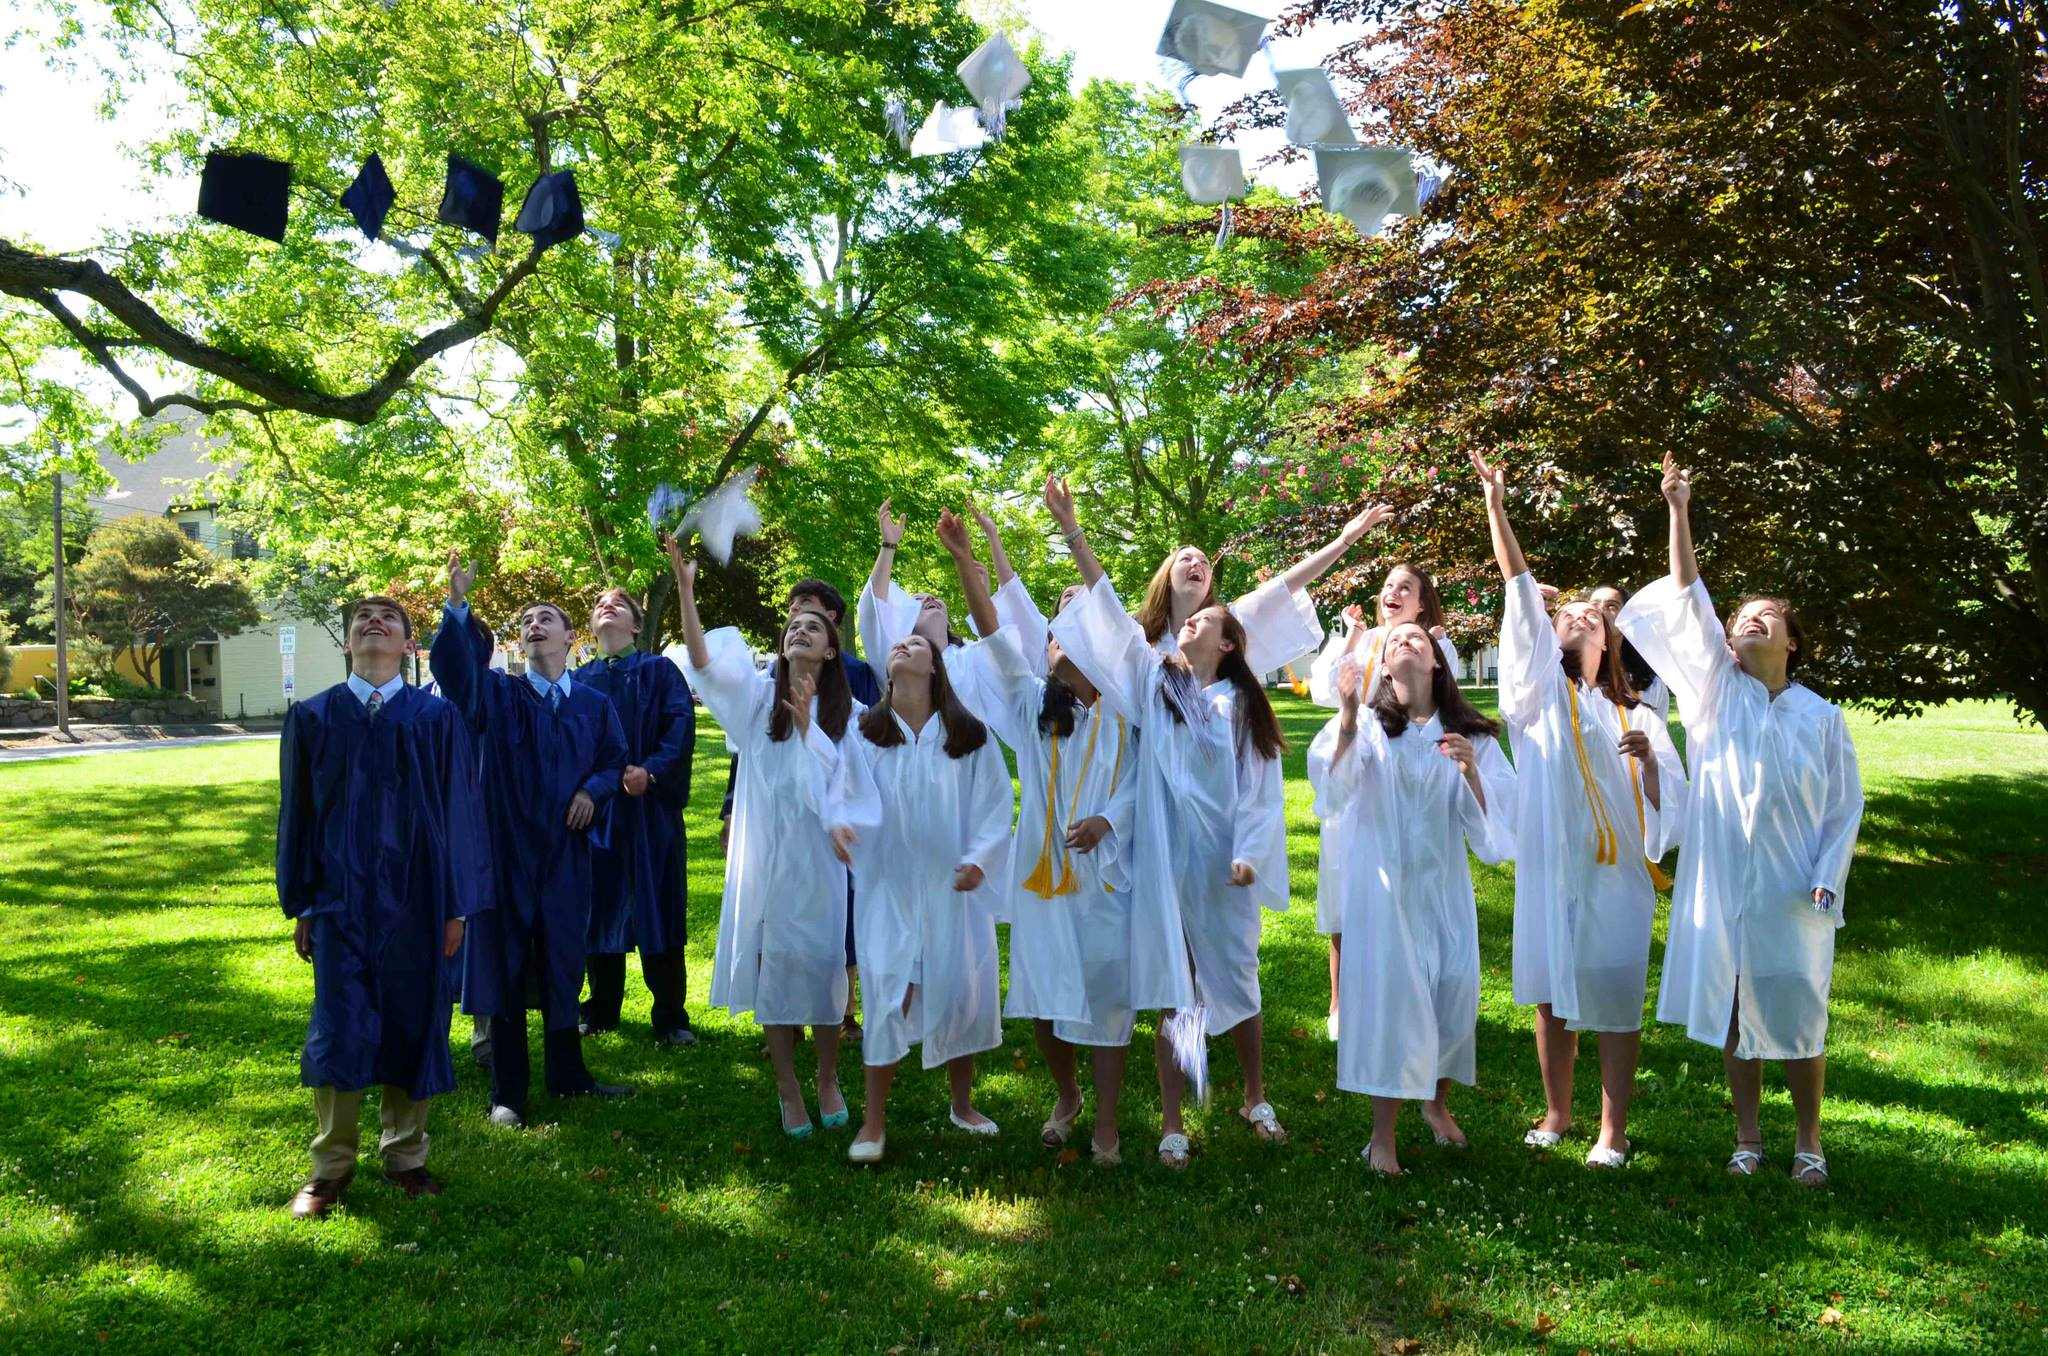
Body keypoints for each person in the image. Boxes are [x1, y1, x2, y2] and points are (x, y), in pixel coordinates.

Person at [1617, 453, 1863, 1186]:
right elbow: (1689, 594)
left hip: (1794, 885)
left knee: (1798, 1006)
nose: (1749, 622)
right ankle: (1749, 1136)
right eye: (1741, 618)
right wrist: (1678, 509)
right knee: (1735, 1006)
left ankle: (1810, 1141)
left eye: (1767, 618)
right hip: (1726, 878)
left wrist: (1827, 878)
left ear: (1792, 643)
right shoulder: (1713, 694)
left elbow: (1845, 807)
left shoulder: (1823, 718)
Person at [1042, 476, 1292, 1170]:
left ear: (1229, 643)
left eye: (1202, 622)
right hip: (1163, 857)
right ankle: (1176, 1118)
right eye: (1186, 621)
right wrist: (1072, 530)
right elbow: (1115, 621)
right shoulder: (1159, 686)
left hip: (1221, 861)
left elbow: (1260, 793)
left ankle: (1252, 1093)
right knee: (1174, 984)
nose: (1189, 624)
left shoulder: (1242, 709)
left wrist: (1250, 853)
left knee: (1236, 979)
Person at [1471, 449, 1687, 1169]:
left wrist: (1650, 764)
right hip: (1552, 864)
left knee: (1617, 991)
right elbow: (1518, 587)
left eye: (1594, 616)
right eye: (1569, 614)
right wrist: (1498, 510)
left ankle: (1613, 1130)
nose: (1580, 618)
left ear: (1611, 639)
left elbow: (1673, 805)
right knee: (1552, 991)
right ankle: (1559, 1112)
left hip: (1619, 871)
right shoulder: (1535, 699)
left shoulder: (1638, 715)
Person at [938, 508, 1140, 1167]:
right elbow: (995, 634)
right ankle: (1066, 1094)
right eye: (1051, 637)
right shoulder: (1032, 704)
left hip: (1105, 868)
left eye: (1065, 637)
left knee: (1106, 994)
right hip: (1041, 870)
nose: (1052, 644)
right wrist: (968, 559)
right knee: (1043, 994)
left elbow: (1143, 783)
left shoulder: (1124, 715)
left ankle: (1107, 1122)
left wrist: (1110, 818)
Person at [278, 595, 487, 1219]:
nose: (375, 624)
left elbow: (458, 812)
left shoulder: (435, 717)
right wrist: (304, 903)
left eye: (389, 620)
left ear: (407, 646)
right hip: (340, 899)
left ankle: (406, 1155)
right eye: (362, 621)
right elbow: (299, 818)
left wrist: (457, 906)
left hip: (419, 900)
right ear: (347, 643)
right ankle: (330, 1166)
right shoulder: (313, 718)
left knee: (413, 1018)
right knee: (340, 1026)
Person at [675, 543, 878, 1138]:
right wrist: (687, 590)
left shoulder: (853, 712)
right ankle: (789, 1089)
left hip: (821, 857)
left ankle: (827, 1077)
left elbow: (856, 785)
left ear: (833, 646)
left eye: (813, 626)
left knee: (825, 971)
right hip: (767, 852)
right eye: (792, 625)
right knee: (775, 969)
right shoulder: (759, 699)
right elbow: (704, 661)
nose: (799, 631)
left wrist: (846, 820)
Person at [1307, 624, 1516, 1175]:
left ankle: (1435, 1102)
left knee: (1452, 993)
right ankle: (1382, 1137)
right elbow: (1331, 795)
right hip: (1385, 891)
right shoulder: (1371, 727)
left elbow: (1496, 836)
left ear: (1438, 663)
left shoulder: (1469, 734)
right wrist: (1350, 715)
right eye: (1394, 639)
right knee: (1393, 1005)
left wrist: (1471, 772)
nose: (1404, 642)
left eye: (1417, 639)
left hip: (1443, 888)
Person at [432, 554, 631, 1129]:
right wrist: (458, 605)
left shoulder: (593, 705)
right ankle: (508, 1092)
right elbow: (456, 674)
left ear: (573, 638)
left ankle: (569, 1076)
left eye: (547, 617)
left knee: (565, 962)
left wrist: (594, 790)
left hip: (566, 854)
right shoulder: (498, 694)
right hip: (507, 854)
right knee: (508, 966)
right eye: (526, 620)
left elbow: (614, 760)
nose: (534, 625)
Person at [837, 629, 1013, 1163]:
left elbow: (995, 805)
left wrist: (980, 860)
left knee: (959, 989)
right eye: (898, 646)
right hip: (887, 889)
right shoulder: (865, 733)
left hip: (949, 886)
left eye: (917, 645)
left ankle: (962, 1104)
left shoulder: (969, 735)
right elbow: (841, 793)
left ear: (935, 667)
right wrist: (841, 826)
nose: (904, 647)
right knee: (888, 994)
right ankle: (873, 1121)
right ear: (887, 672)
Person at [719, 577, 880, 1043]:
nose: (796, 619)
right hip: (775, 830)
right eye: (791, 613)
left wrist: (841, 816)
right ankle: (782, 1031)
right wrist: (732, 806)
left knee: (829, 931)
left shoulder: (854, 688)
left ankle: (839, 1017)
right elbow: (745, 756)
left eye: (808, 610)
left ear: (832, 623)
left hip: (824, 839)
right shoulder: (763, 694)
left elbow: (856, 768)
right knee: (773, 928)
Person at [1304, 567, 1462, 1044]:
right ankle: (1339, 1000)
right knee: (1343, 894)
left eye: (1405, 588)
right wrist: (1349, 639)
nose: (1393, 593)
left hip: (1401, 780)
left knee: (1405, 892)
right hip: (1352, 768)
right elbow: (1323, 691)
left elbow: (1443, 702)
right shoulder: (1367, 639)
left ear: (1421, 602)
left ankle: (1409, 993)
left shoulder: (1434, 645)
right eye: (1389, 586)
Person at [575, 586, 698, 1048]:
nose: (608, 607)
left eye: (619, 605)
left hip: (651, 812)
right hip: (599, 812)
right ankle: (602, 1007)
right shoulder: (580, 680)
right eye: (600, 604)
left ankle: (670, 1014)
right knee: (599, 907)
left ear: (635, 625)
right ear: (590, 627)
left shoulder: (658, 671)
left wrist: (652, 772)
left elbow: (679, 728)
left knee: (658, 904)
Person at [1130, 501, 1394, 677]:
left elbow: (1286, 584)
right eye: (1186, 559)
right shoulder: (1137, 633)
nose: (1197, 563)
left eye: (1205, 562)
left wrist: (1343, 541)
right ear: (1166, 575)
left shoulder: (1228, 624)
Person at [1589, 585, 1672, 724]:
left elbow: (1658, 740)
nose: (1600, 609)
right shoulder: (1570, 673)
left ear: (1626, 620)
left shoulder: (1652, 685)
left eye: (1611, 606)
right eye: (1594, 604)